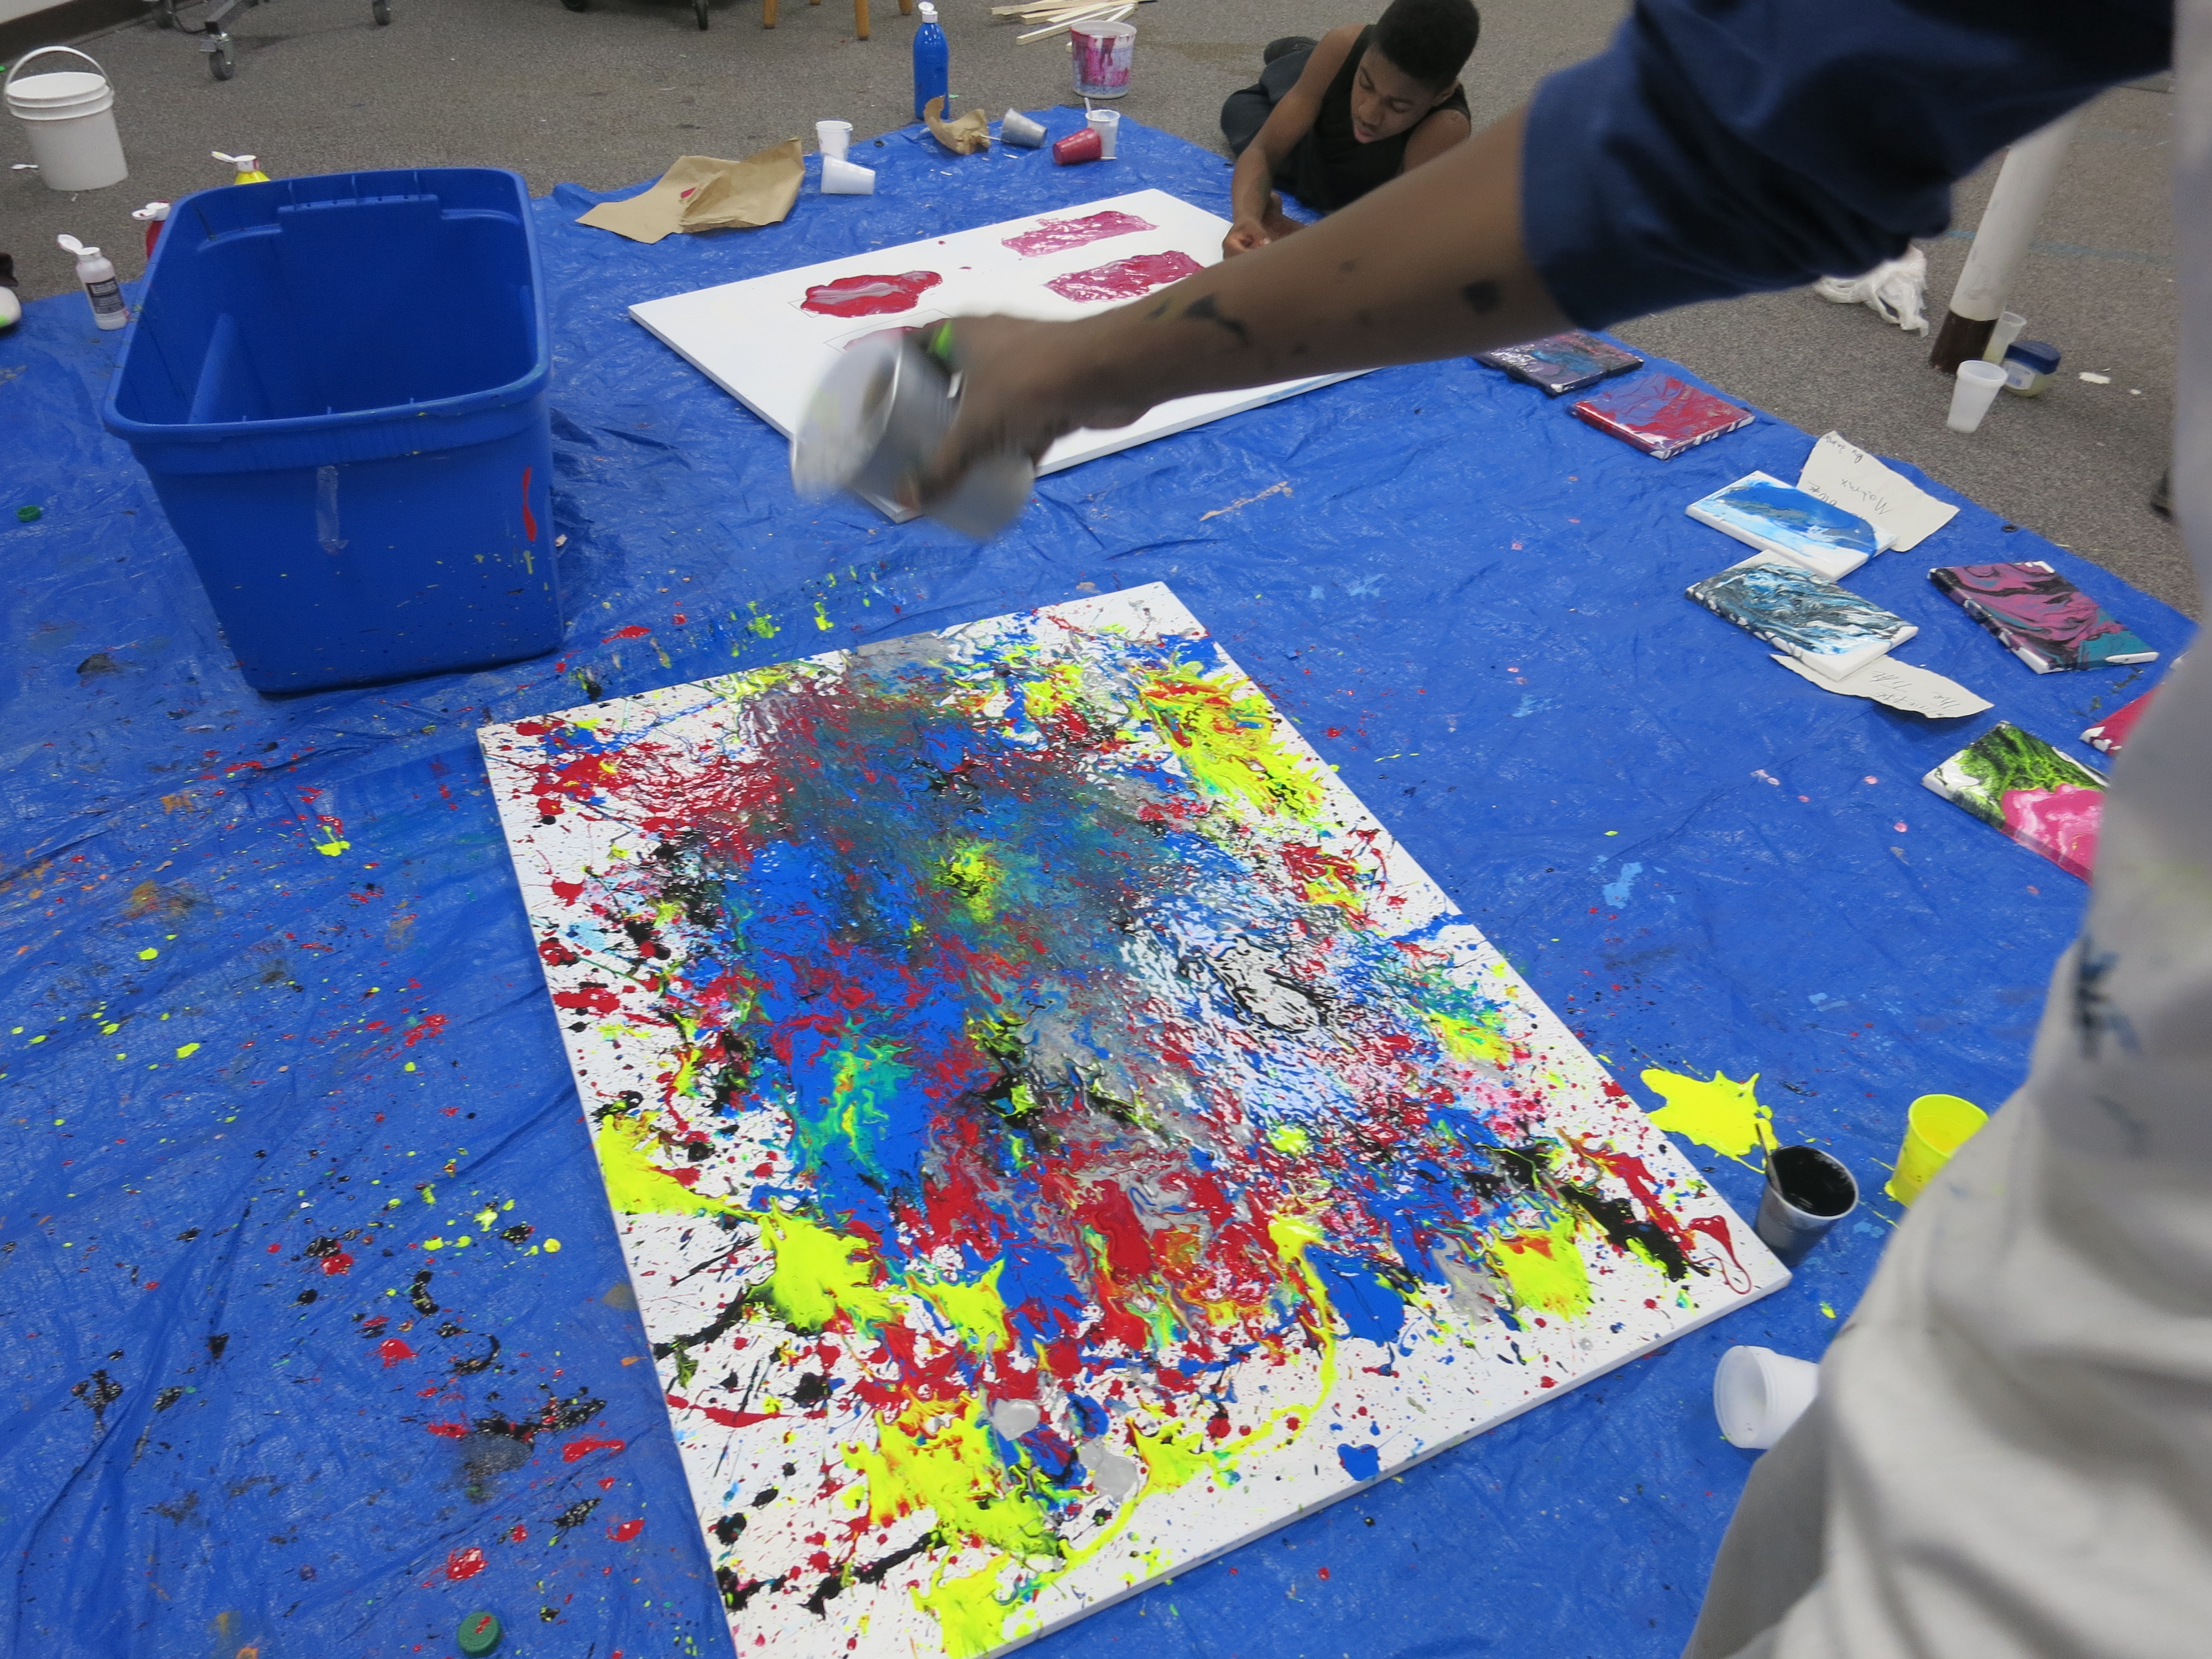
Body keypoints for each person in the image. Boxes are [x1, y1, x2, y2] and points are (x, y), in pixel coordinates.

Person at [918, 0, 2212, 1653]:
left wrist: (1097, 358)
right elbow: (1754, 111)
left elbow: (1725, 126)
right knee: (1856, 1479)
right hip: (2125, 1084)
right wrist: (1096, 359)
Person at [1215, 0, 1478, 258]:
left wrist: (1298, 238)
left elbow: (1395, 240)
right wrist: (1246, 218)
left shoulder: (1445, 127)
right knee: (1242, 108)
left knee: (1241, 108)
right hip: (1317, 132)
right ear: (1365, 55)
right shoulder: (1344, 45)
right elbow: (1262, 150)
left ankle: (1311, 60)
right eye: (1365, 83)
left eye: (1397, 106)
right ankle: (1299, 52)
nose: (1368, 114)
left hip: (1338, 174)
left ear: (1442, 95)